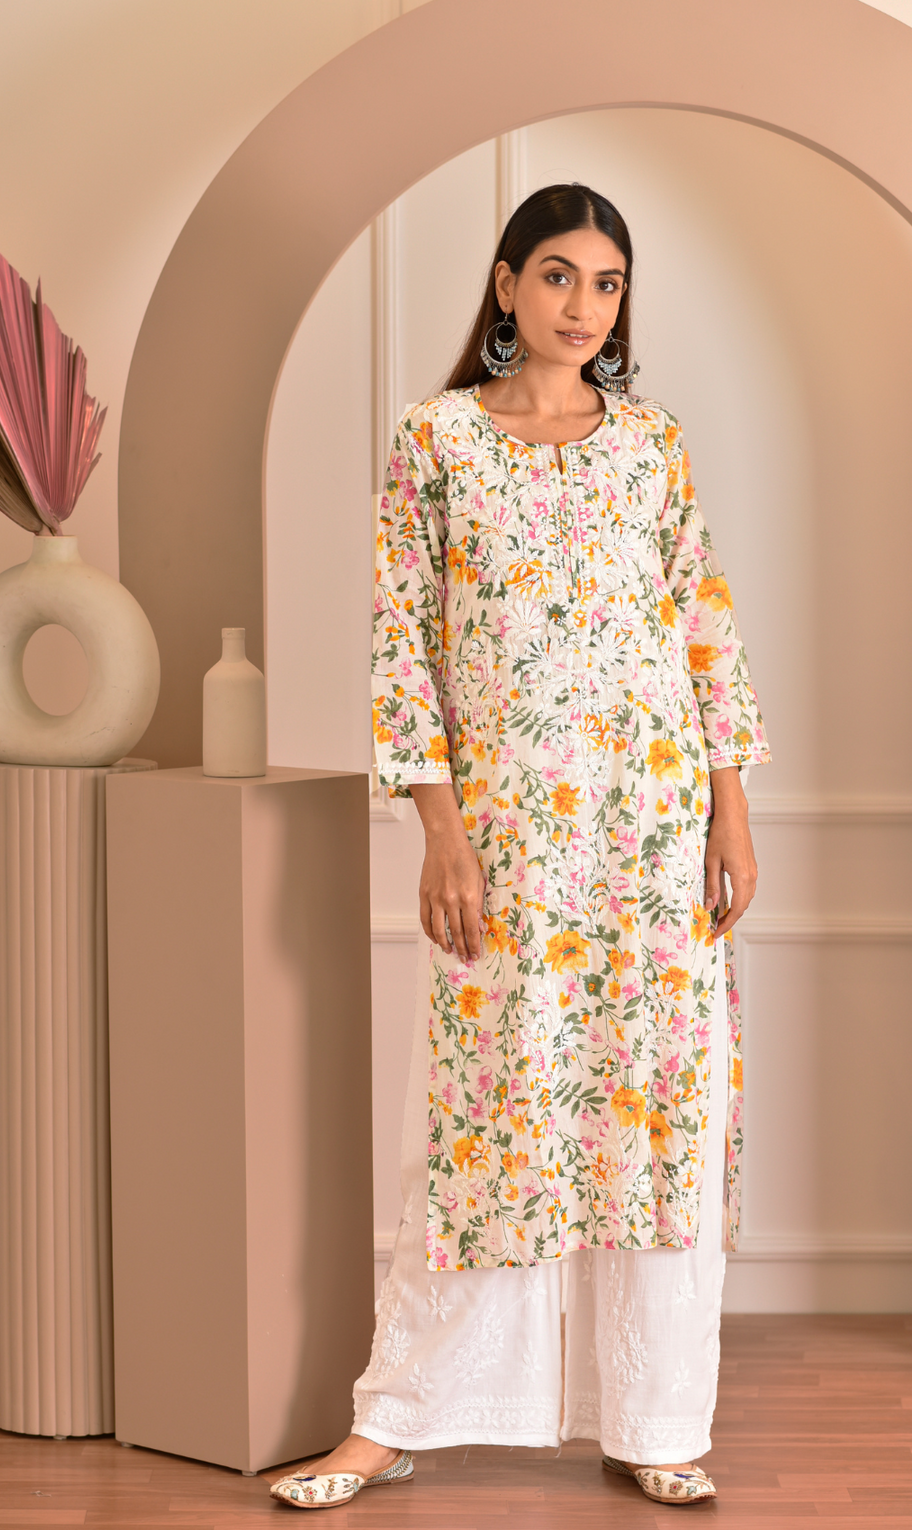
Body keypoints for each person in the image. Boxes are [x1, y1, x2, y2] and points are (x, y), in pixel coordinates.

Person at [270, 183, 769, 1511]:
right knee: (491, 1111)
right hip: (510, 840)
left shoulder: (651, 445)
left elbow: (703, 626)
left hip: (652, 828)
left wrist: (728, 808)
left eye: (607, 283)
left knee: (651, 1108)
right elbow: (402, 645)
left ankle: (655, 1417)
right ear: (505, 284)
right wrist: (441, 832)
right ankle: (398, 1415)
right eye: (557, 275)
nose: (582, 305)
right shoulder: (434, 440)